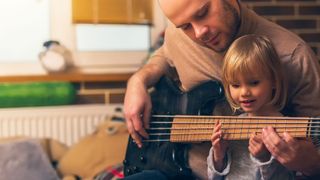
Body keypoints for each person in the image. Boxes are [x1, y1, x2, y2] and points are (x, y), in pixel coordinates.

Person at [124, 0, 320, 179]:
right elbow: (164, 57)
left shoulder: (294, 57)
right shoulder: (177, 35)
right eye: (185, 26)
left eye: (202, 13)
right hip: (174, 168)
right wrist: (138, 81)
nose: (199, 33)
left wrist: (308, 163)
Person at [207, 34, 294, 180]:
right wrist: (218, 156)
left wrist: (264, 157)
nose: (244, 92)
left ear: (273, 80)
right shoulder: (232, 125)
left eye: (254, 83)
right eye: (235, 85)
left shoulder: (287, 129)